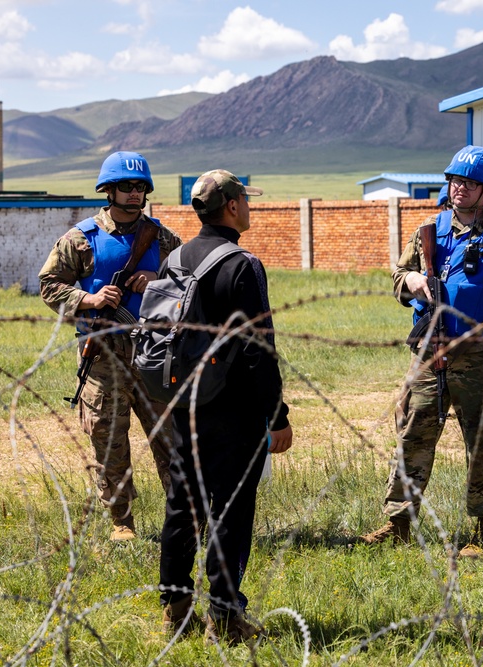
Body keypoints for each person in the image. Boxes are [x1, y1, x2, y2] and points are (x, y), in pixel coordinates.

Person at [360, 146, 483, 558]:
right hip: (430, 352)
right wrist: (413, 282)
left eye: (470, 183)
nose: (460, 189)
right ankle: (399, 522)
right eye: (456, 181)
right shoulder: (429, 231)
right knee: (412, 436)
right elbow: (397, 276)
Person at [159, 169, 293, 644]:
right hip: (232, 411)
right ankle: (227, 616)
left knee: (182, 504)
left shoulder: (175, 258)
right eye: (246, 201)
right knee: (230, 513)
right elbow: (260, 349)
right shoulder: (242, 265)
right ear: (233, 206)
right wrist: (277, 417)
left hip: (182, 402)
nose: (250, 208)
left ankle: (175, 608)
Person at [39, 151, 178, 542]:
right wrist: (90, 300)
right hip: (103, 358)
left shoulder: (163, 239)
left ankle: (186, 515)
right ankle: (122, 521)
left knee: (172, 438)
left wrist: (157, 279)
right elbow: (49, 285)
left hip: (155, 354)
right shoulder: (81, 239)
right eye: (125, 187)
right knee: (109, 441)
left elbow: (190, 287)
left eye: (140, 187)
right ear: (108, 191)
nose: (134, 194)